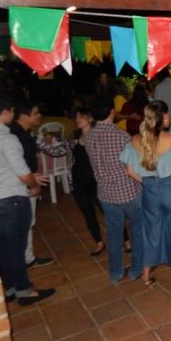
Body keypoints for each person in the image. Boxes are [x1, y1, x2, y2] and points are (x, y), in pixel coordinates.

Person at [0, 95, 55, 305]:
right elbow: (22, 174)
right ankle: (24, 291)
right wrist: (33, 184)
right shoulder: (7, 138)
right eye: (11, 110)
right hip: (13, 197)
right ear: (5, 112)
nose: (13, 114)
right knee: (17, 248)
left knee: (5, 247)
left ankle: (9, 288)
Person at [120, 101, 171, 294]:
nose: (170, 117)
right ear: (163, 117)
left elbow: (130, 171)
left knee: (151, 232)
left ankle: (146, 276)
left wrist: (148, 181)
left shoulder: (135, 140)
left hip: (150, 191)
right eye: (168, 114)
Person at [87, 99, 145, 283]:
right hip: (128, 191)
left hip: (105, 193)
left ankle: (115, 272)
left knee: (113, 234)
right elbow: (133, 166)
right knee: (137, 231)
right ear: (112, 112)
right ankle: (136, 269)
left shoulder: (89, 135)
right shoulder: (121, 136)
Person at [39, 107, 108, 256]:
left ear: (90, 118)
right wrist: (41, 142)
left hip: (97, 182)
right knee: (88, 214)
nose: (77, 120)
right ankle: (99, 242)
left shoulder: (100, 137)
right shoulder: (73, 139)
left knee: (108, 212)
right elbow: (57, 152)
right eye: (76, 117)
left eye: (80, 117)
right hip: (78, 183)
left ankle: (125, 239)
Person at [10, 99, 53, 268]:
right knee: (22, 223)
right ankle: (19, 260)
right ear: (23, 115)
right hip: (22, 183)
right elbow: (18, 165)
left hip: (27, 181)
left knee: (28, 221)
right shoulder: (15, 135)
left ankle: (28, 257)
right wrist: (32, 184)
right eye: (35, 113)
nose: (39, 116)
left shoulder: (25, 132)